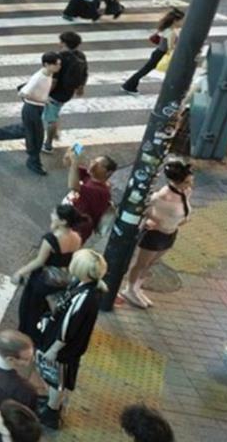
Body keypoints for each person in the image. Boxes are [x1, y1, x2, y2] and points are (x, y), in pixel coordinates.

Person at [35, 249, 108, 429]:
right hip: (66, 344)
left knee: (57, 378)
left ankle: (51, 412)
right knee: (57, 378)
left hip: (63, 347)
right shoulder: (88, 286)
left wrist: (53, 349)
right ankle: (53, 404)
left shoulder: (84, 296)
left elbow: (68, 327)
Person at [121, 159, 193, 309]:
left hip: (171, 233)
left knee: (151, 263)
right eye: (186, 182)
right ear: (176, 181)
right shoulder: (162, 197)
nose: (189, 185)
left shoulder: (185, 192)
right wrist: (153, 220)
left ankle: (137, 288)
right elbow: (143, 209)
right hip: (155, 235)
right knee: (141, 263)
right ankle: (129, 289)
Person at [12, 205, 84, 344]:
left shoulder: (51, 239)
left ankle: (25, 338)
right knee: (45, 310)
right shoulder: (77, 238)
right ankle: (40, 336)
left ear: (63, 221)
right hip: (61, 280)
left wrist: (20, 271)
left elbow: (39, 261)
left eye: (54, 214)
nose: (52, 215)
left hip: (42, 281)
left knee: (29, 310)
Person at [0, 52, 61, 176]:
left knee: (25, 130)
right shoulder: (39, 77)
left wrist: (44, 98)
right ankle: (33, 162)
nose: (59, 67)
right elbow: (22, 93)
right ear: (47, 64)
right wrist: (42, 100)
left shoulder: (49, 74)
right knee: (36, 138)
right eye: (56, 64)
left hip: (37, 108)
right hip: (31, 109)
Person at [122, 8, 184, 95]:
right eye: (181, 21)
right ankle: (129, 85)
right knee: (145, 71)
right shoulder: (171, 32)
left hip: (158, 52)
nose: (181, 23)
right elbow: (170, 47)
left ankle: (129, 85)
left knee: (145, 70)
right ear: (175, 21)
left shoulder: (165, 28)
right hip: (161, 54)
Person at [43, 32, 88, 153]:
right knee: (55, 111)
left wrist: (45, 93)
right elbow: (85, 73)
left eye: (60, 41)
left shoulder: (59, 58)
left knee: (50, 119)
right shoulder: (81, 56)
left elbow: (54, 80)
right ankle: (55, 133)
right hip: (68, 92)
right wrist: (81, 87)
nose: (58, 43)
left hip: (56, 94)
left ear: (64, 43)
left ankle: (48, 144)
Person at [64, 148, 117, 241]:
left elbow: (73, 185)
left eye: (98, 164)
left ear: (108, 172)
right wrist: (70, 155)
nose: (93, 164)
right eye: (93, 161)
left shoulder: (101, 191)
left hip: (78, 229)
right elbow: (68, 165)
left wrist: (75, 163)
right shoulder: (90, 176)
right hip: (69, 221)